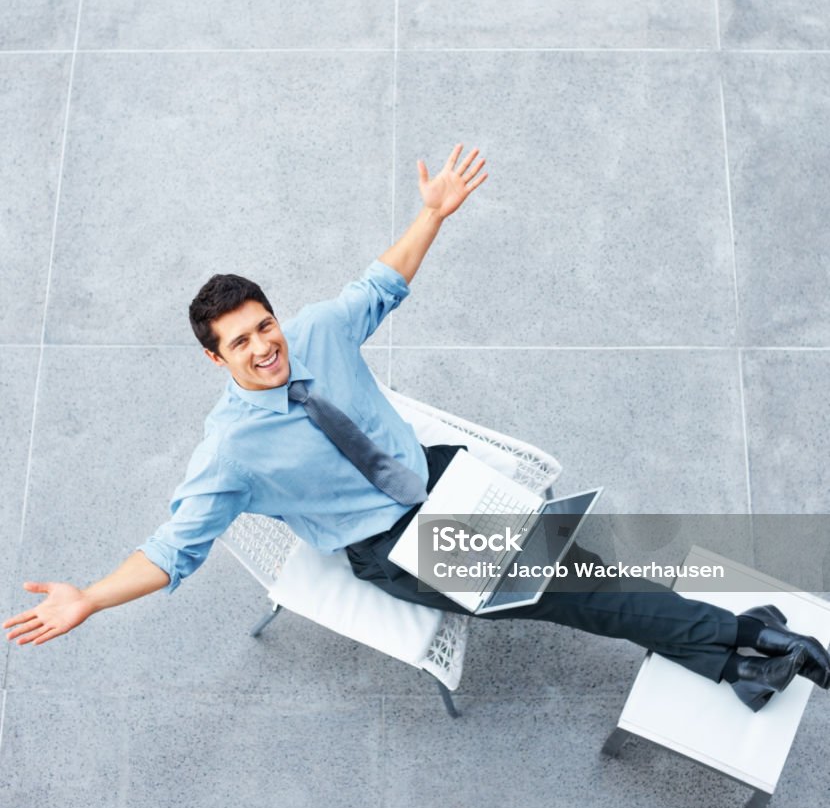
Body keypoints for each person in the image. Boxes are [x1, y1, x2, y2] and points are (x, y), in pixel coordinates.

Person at [4, 144, 829, 714]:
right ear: (215, 361)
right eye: (239, 343)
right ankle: (751, 643)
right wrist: (91, 598)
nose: (264, 347)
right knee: (588, 593)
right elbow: (169, 551)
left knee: (589, 579)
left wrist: (431, 214)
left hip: (444, 478)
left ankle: (734, 652)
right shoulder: (231, 451)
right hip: (399, 548)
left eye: (263, 325)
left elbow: (382, 280)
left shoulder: (320, 329)